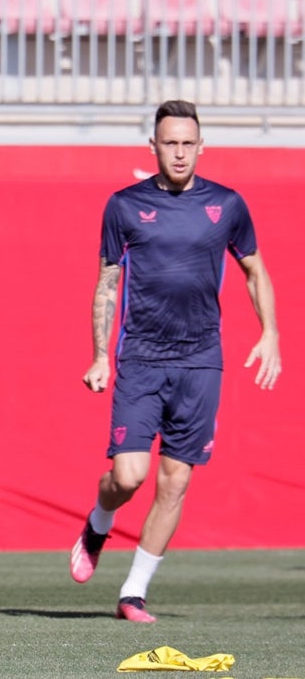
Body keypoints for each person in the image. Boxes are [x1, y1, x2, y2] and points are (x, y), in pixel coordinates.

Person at [70, 100, 281, 623]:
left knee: (176, 481)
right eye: (170, 143)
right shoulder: (124, 205)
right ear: (154, 146)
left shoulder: (227, 205)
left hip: (201, 361)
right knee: (128, 476)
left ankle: (133, 593)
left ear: (202, 146)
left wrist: (271, 333)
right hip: (141, 358)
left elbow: (255, 270)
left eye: (188, 143)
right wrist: (100, 355)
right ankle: (98, 522)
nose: (180, 152)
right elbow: (107, 283)